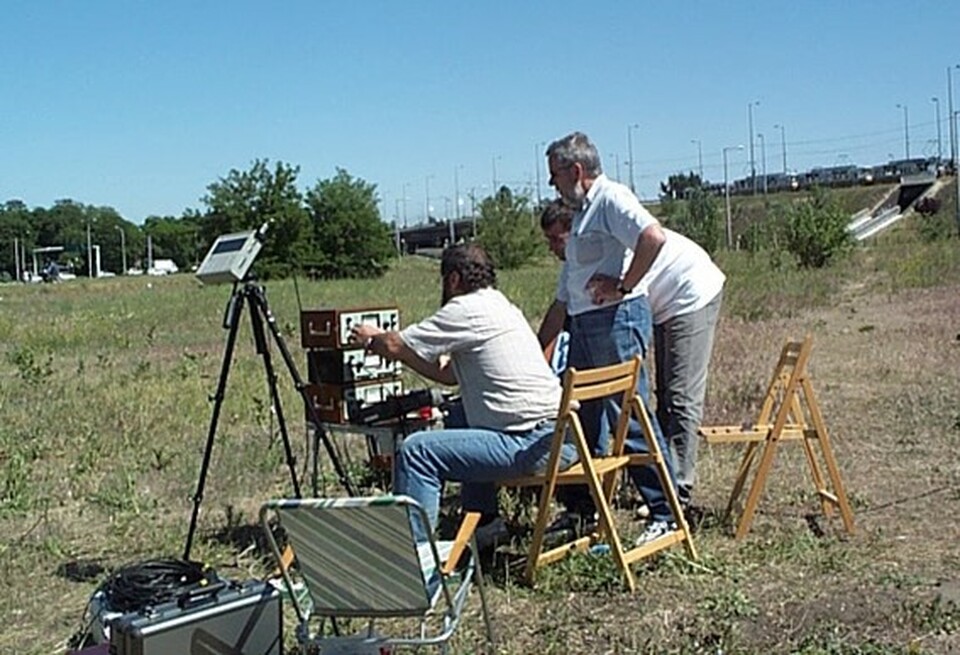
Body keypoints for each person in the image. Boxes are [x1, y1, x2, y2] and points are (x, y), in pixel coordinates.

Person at [350, 243, 576, 542]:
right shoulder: (503, 305)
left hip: (530, 445)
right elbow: (447, 376)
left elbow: (392, 344)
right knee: (459, 414)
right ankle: (485, 524)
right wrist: (406, 355)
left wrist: (371, 338)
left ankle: (412, 554)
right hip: (563, 439)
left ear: (454, 279)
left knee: (417, 451)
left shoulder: (464, 310)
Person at [539, 199, 725, 512]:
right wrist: (537, 368)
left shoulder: (612, 248)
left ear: (575, 233)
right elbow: (558, 313)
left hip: (689, 293)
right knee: (656, 394)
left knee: (679, 396)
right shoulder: (578, 259)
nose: (551, 248)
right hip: (659, 300)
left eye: (556, 239)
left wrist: (622, 287)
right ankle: (644, 482)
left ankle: (675, 492)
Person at [538, 131, 677, 544]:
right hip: (585, 324)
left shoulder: (612, 198)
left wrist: (623, 285)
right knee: (583, 417)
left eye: (555, 176)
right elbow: (569, 285)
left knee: (627, 415)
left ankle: (665, 511)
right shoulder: (582, 210)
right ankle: (583, 510)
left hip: (615, 319)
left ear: (575, 170)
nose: (553, 185)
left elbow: (653, 237)